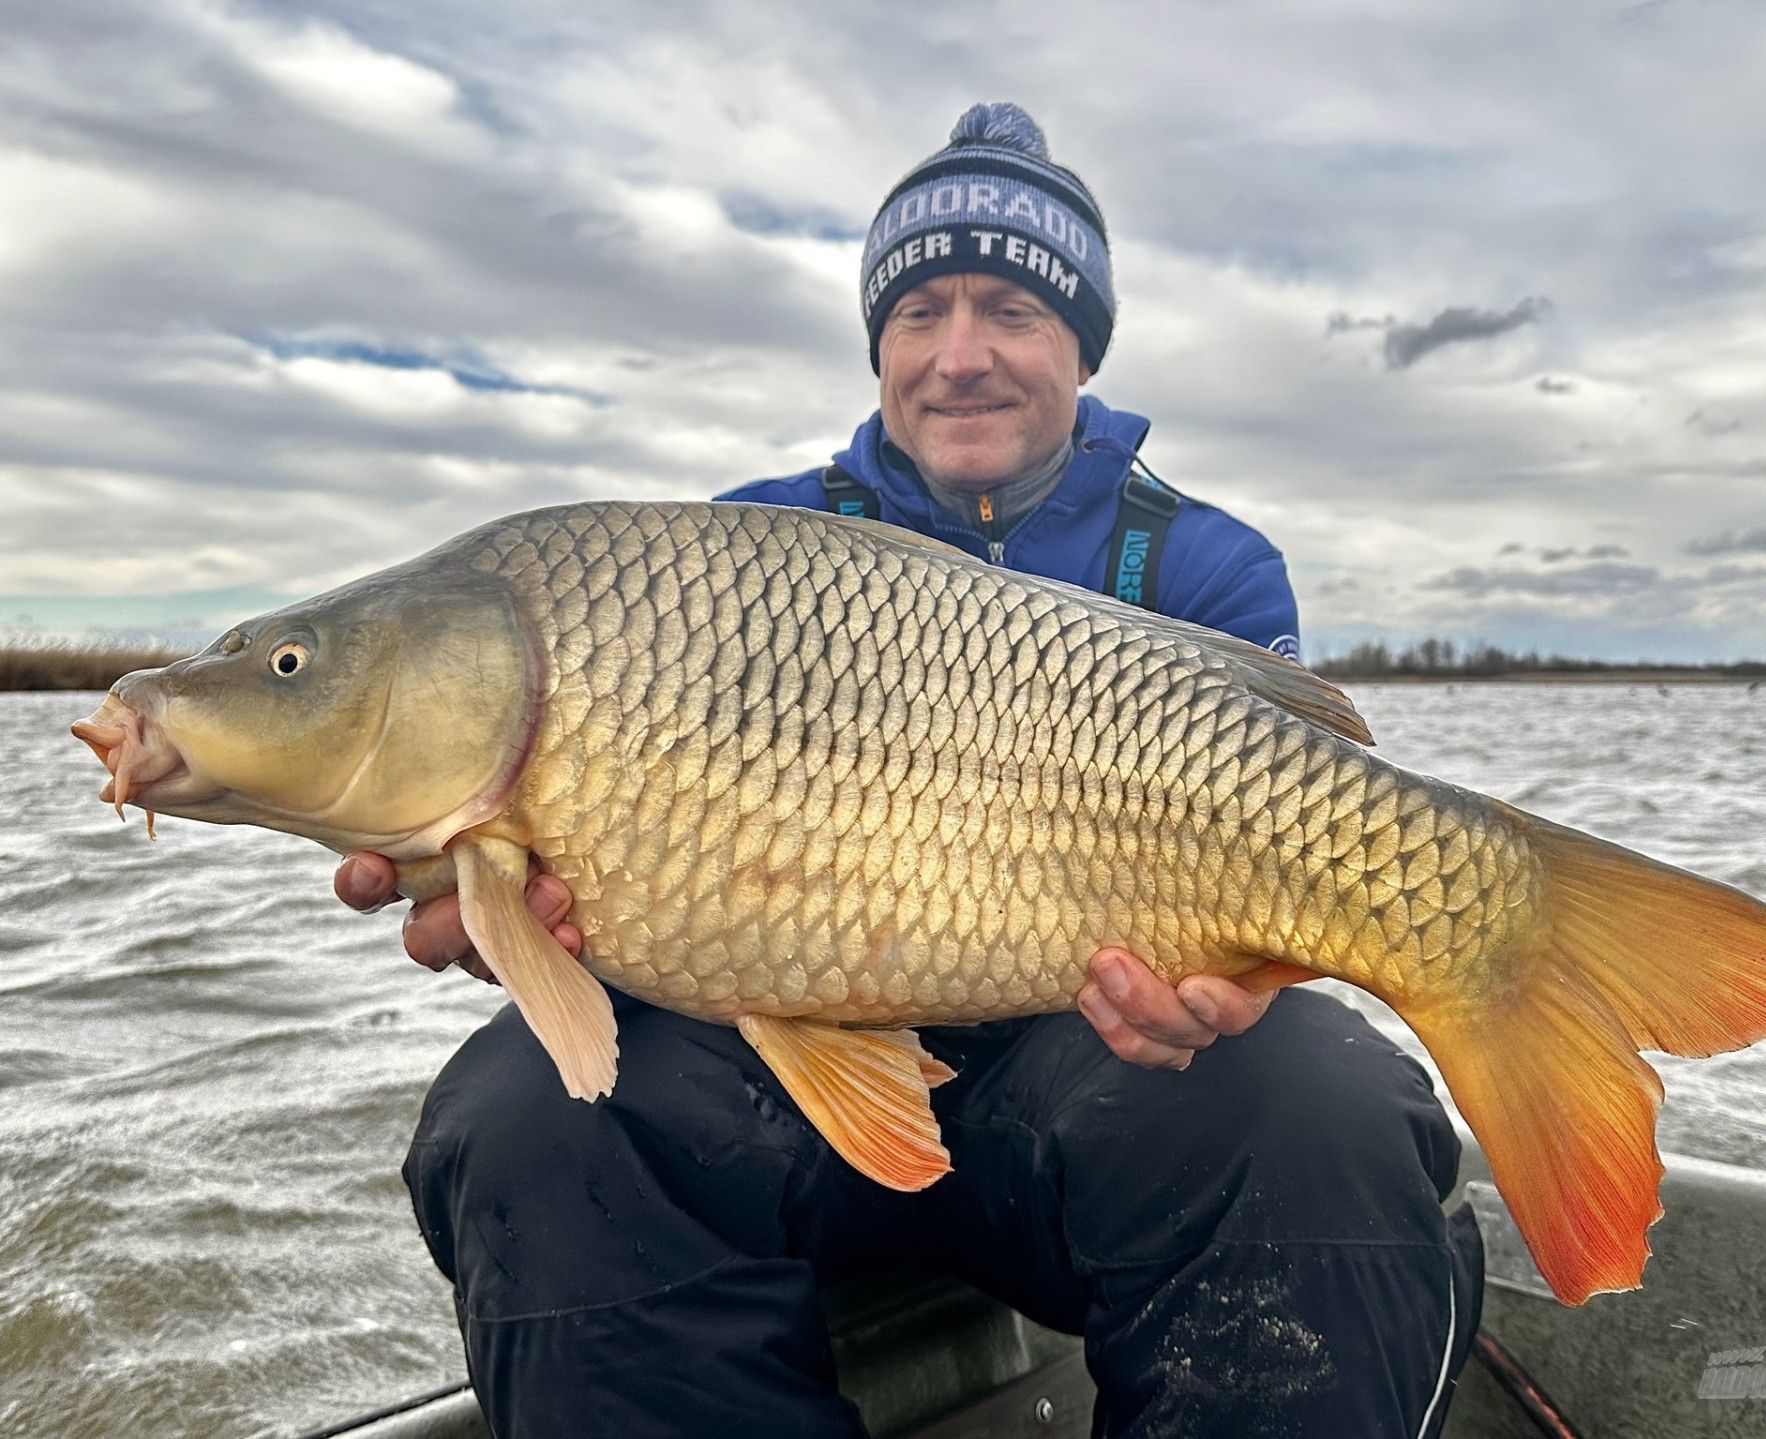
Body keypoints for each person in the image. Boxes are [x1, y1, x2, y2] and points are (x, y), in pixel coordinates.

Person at [335, 103, 1482, 1438]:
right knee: (524, 1118)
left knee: (1320, 1100)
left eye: (1012, 310)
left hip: (1086, 1091)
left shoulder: (1207, 567)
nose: (960, 357)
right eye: (919, 311)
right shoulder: (744, 544)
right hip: (776, 1099)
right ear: (878, 343)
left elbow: (1251, 920)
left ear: (1081, 345)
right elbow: (645, 867)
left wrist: (1235, 982)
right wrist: (540, 927)